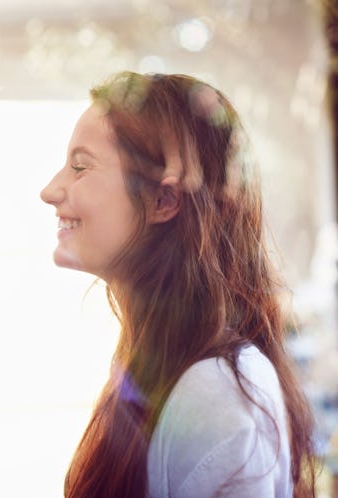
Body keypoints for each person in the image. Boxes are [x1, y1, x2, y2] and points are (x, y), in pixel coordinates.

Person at [40, 71, 316, 498]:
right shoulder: (164, 367)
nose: (50, 190)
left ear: (163, 201)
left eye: (80, 166)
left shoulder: (217, 397)